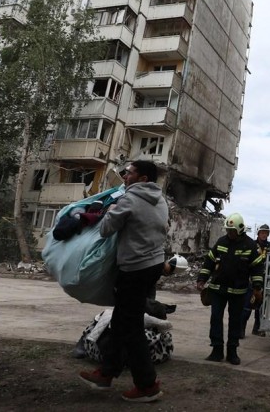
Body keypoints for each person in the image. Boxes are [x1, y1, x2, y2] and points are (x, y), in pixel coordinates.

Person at [79, 160, 168, 403]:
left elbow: (106, 229)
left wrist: (111, 208)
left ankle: (147, 385)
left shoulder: (129, 199)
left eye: (128, 173)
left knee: (130, 327)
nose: (124, 177)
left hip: (135, 268)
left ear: (142, 178)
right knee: (121, 320)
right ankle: (106, 372)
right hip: (153, 264)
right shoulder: (160, 200)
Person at [196, 213, 264, 365]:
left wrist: (257, 287)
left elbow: (257, 268)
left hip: (238, 293)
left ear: (240, 229)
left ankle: (232, 352)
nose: (229, 233)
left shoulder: (250, 246)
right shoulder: (221, 242)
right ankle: (216, 350)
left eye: (232, 230)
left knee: (235, 322)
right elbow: (209, 262)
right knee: (215, 319)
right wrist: (202, 279)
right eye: (228, 230)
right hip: (217, 290)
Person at [241, 224, 270, 337]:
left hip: (265, 280)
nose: (264, 235)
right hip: (252, 279)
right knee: (248, 305)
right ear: (258, 233)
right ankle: (241, 330)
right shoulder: (252, 245)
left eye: (266, 233)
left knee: (261, 306)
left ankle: (257, 328)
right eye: (262, 232)